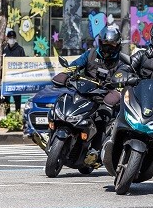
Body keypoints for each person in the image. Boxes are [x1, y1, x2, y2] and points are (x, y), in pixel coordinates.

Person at [51, 25, 123, 167]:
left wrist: (117, 90)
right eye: (106, 43)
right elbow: (75, 65)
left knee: (103, 117)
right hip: (85, 92)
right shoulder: (90, 54)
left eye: (112, 44)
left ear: (118, 44)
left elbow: (124, 79)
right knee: (64, 100)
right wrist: (66, 74)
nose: (108, 47)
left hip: (104, 99)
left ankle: (95, 152)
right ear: (100, 42)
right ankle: (51, 131)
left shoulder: (121, 62)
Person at [2, 30, 26, 115]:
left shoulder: (20, 49)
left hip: (17, 79)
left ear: (15, 38)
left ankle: (18, 116)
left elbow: (24, 63)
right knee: (6, 99)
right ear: (7, 38)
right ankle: (7, 115)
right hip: (7, 79)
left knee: (17, 99)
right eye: (10, 38)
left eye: (13, 38)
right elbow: (1, 63)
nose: (11, 39)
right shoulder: (4, 49)